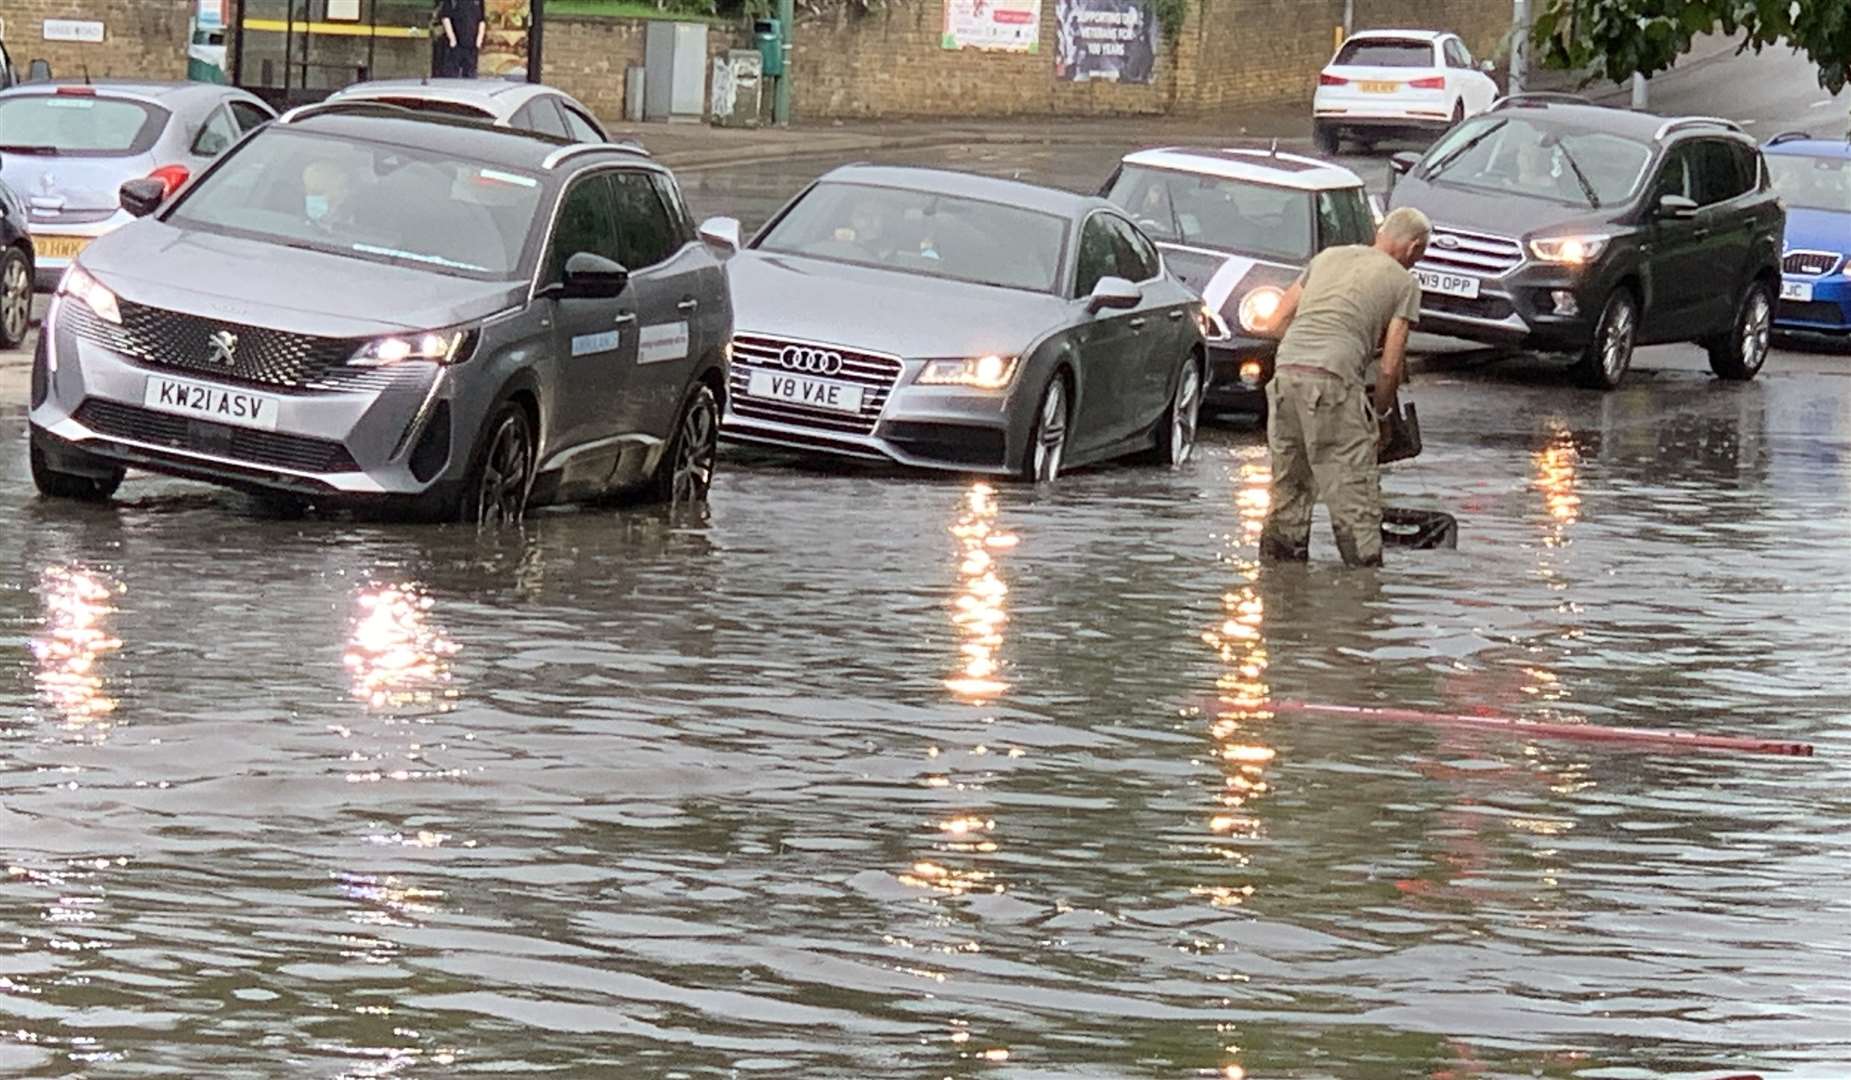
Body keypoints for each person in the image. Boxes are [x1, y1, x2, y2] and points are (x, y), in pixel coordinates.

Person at [1254, 206, 1431, 568]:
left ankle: (1280, 593)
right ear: (1414, 247)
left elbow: (1274, 323)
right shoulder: (1404, 283)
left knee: (1289, 491)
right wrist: (1380, 415)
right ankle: (1361, 596)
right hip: (1334, 383)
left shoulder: (1328, 257)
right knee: (1354, 497)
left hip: (1285, 376)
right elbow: (1390, 366)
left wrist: (1309, 351)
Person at [439, 0, 486, 78]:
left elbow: (481, 20)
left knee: (470, 75)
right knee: (451, 75)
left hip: (472, 46)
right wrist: (452, 39)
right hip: (455, 46)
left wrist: (479, 40)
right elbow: (445, 18)